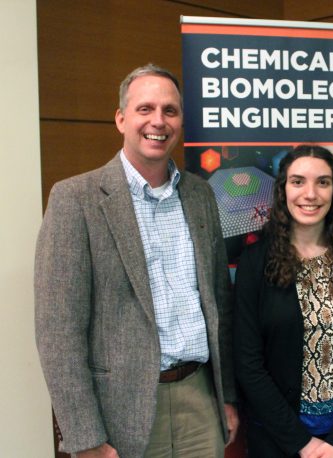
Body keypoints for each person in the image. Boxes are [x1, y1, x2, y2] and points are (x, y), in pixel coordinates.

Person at [35, 64, 238, 457]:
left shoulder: (201, 196)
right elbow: (57, 333)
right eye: (145, 109)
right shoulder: (76, 199)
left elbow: (220, 307)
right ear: (121, 118)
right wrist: (85, 437)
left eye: (170, 110)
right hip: (120, 411)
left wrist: (226, 396)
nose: (158, 121)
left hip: (200, 400)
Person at [234, 145, 333, 457]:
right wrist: (302, 443)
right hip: (277, 439)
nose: (310, 194)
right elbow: (248, 364)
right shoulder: (254, 263)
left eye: (322, 182)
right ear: (283, 189)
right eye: (298, 181)